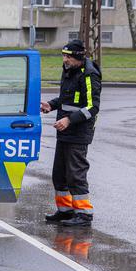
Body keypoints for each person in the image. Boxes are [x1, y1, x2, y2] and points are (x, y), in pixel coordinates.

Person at [42, 39, 100, 227]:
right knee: (59, 174)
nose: (65, 60)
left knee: (76, 174)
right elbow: (67, 99)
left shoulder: (89, 75)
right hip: (65, 131)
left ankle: (84, 214)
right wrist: (51, 105)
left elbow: (92, 107)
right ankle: (65, 211)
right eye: (64, 56)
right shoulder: (69, 71)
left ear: (78, 57)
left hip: (78, 132)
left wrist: (69, 120)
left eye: (68, 56)